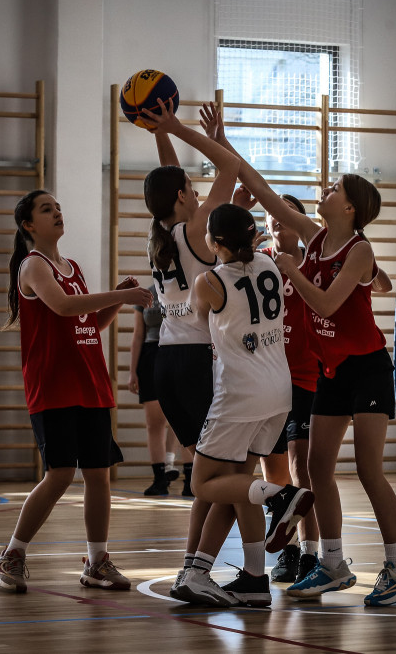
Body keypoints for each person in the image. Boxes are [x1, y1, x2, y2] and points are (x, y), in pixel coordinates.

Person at [199, 102, 396, 606]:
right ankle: (333, 563)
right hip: (331, 371)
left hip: (366, 369)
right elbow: (261, 190)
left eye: (335, 188)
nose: (326, 190)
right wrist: (224, 146)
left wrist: (289, 268)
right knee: (316, 471)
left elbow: (324, 302)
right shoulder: (315, 237)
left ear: (351, 207)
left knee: (368, 470)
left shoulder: (359, 250)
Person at [0, 190, 153, 594]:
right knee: (60, 474)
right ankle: (12, 553)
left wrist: (115, 300)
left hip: (90, 383)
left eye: (58, 207)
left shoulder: (73, 266)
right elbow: (63, 307)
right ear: (29, 225)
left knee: (99, 476)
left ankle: (97, 561)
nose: (57, 212)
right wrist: (123, 295)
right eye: (47, 209)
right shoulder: (33, 265)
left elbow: (85, 323)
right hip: (54, 386)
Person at [141, 99, 255, 604]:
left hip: (165, 363)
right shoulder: (197, 230)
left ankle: (191, 568)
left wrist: (160, 133)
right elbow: (229, 167)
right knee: (232, 478)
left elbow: (169, 177)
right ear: (186, 196)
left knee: (206, 478)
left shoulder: (162, 234)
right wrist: (180, 127)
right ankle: (219, 563)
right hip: (198, 364)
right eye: (189, 184)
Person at [184, 202, 313, 607]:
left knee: (201, 484)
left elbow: (193, 321)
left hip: (239, 394)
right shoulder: (270, 265)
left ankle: (280, 496)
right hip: (279, 389)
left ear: (216, 242)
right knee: (240, 486)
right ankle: (255, 579)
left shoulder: (208, 281)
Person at [258, 194, 322, 585]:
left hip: (306, 376)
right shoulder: (258, 260)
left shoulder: (314, 262)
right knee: (274, 472)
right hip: (266, 377)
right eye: (270, 215)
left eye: (286, 213)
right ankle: (287, 552)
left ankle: (312, 555)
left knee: (302, 469)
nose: (276, 219)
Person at [127, 285, 188, 496]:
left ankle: (190, 478)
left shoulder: (185, 288)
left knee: (184, 419)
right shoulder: (146, 293)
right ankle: (160, 478)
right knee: (154, 422)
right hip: (151, 354)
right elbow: (137, 335)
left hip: (178, 351)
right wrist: (132, 371)